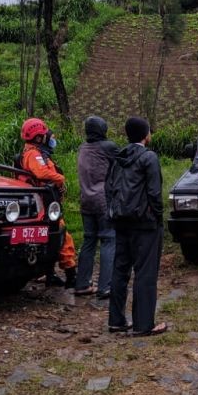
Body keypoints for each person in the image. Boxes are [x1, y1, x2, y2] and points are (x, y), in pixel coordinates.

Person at [106, 117, 168, 336]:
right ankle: (144, 324)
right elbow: (154, 193)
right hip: (145, 223)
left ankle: (116, 320)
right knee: (145, 272)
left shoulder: (118, 158)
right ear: (146, 135)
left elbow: (109, 188)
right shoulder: (149, 157)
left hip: (121, 220)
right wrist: (158, 217)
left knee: (120, 270)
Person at [18, 117, 77, 288]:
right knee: (62, 236)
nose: (49, 137)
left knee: (50, 238)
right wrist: (60, 179)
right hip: (44, 205)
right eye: (45, 134)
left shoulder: (35, 153)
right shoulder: (33, 155)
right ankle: (71, 274)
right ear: (38, 137)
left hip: (46, 203)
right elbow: (42, 173)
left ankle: (50, 274)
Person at [74, 116, 118, 298]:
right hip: (103, 200)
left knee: (89, 241)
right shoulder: (108, 147)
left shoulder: (82, 148)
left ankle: (82, 283)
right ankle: (106, 286)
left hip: (86, 200)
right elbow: (124, 163)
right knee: (108, 239)